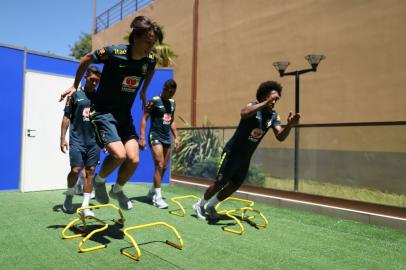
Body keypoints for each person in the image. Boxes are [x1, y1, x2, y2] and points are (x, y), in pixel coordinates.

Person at [60, 16, 163, 210]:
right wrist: (75, 85)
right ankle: (99, 182)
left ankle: (117, 189)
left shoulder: (149, 59)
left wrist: (143, 90)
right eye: (148, 41)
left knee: (134, 159)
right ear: (136, 38)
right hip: (103, 112)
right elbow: (86, 58)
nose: (151, 46)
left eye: (153, 42)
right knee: (119, 154)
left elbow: (151, 68)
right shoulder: (114, 52)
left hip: (124, 115)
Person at [193, 81, 300, 220]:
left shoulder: (273, 116)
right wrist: (265, 103)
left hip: (245, 157)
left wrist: (290, 125)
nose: (274, 102)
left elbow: (280, 136)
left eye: (276, 99)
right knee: (220, 183)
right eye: (272, 98)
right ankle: (199, 205)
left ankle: (211, 206)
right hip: (232, 153)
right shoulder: (253, 106)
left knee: (235, 185)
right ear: (263, 96)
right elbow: (243, 113)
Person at [60, 66, 101, 216]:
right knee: (76, 170)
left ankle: (85, 206)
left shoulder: (99, 98)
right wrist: (62, 138)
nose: (95, 83)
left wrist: (105, 141)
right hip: (77, 140)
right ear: (85, 78)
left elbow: (102, 121)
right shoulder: (75, 95)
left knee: (90, 172)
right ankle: (69, 197)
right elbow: (66, 117)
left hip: (94, 142)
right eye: (92, 80)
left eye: (97, 81)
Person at [139, 79, 179, 209]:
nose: (171, 94)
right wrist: (142, 137)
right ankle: (158, 198)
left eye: (173, 92)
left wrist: (176, 137)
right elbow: (145, 118)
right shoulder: (154, 101)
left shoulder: (172, 103)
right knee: (159, 164)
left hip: (166, 138)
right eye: (169, 91)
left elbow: (171, 120)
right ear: (164, 88)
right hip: (155, 136)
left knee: (164, 167)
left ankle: (152, 191)